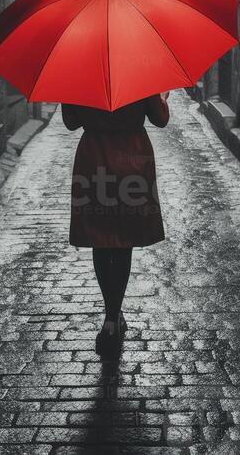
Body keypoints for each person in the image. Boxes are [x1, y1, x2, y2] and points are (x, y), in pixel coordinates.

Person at [61, 92, 170, 357]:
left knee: (102, 240)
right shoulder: (140, 78)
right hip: (131, 159)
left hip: (93, 159)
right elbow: (161, 119)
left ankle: (111, 317)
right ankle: (113, 316)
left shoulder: (79, 77)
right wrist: (162, 96)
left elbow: (71, 122)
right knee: (123, 241)